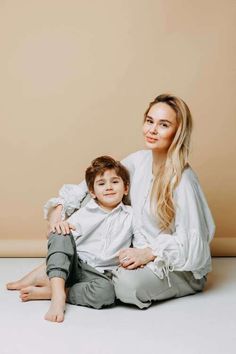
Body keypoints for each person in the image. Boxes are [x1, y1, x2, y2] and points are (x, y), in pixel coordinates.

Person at [7, 93, 215, 311]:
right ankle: (65, 267)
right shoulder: (139, 160)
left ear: (177, 132)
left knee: (126, 285)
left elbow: (192, 246)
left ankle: (60, 287)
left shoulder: (183, 180)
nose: (152, 130)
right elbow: (90, 188)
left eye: (163, 125)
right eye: (149, 121)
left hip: (176, 266)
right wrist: (58, 215)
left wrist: (148, 253)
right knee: (105, 191)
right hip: (135, 256)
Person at [7, 156, 145, 322]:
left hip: (99, 273)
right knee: (60, 231)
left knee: (106, 293)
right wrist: (60, 226)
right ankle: (57, 296)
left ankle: (54, 291)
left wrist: (137, 253)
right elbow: (61, 243)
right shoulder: (85, 212)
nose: (108, 187)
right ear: (92, 192)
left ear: (126, 188)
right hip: (75, 263)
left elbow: (140, 242)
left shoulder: (132, 215)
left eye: (115, 182)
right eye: (101, 184)